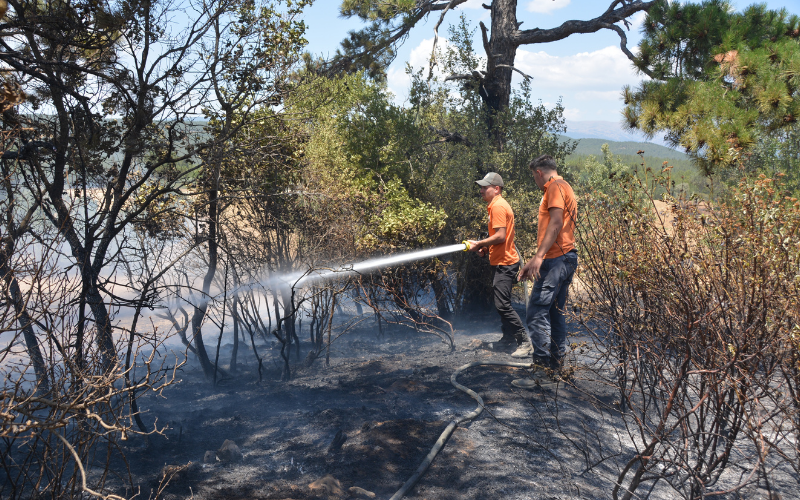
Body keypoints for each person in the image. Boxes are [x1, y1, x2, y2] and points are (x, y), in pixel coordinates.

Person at [516, 154, 578, 381]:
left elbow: (556, 222)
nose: (535, 181)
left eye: (534, 177)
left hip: (556, 260)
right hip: (565, 258)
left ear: (539, 172)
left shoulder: (554, 187)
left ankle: (541, 372)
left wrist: (539, 257)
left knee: (536, 312)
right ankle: (556, 368)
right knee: (555, 313)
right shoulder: (565, 186)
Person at [467, 172, 531, 356]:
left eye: (484, 187)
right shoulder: (495, 205)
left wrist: (479, 244)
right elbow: (500, 238)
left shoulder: (498, 206)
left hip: (505, 263)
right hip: (502, 261)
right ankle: (508, 340)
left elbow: (501, 236)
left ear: (496, 189)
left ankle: (524, 342)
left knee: (502, 304)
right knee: (502, 303)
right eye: (481, 187)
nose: (481, 190)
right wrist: (486, 249)